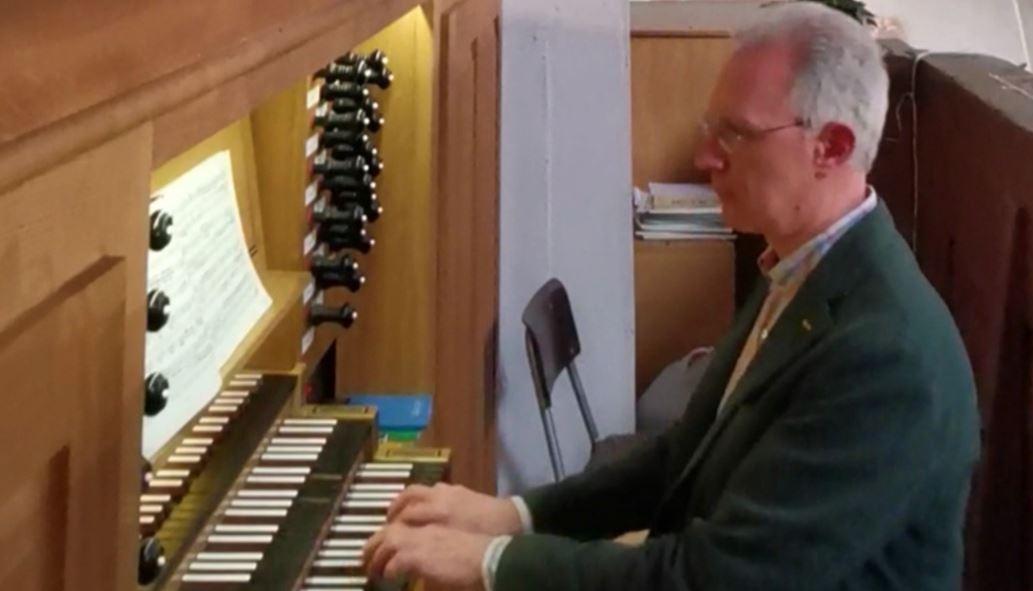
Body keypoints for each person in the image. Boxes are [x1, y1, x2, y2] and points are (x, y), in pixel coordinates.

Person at [363, 3, 980, 590]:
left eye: (734, 134)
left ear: (832, 147)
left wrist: (495, 563)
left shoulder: (883, 358)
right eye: (712, 127)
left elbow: (714, 580)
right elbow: (684, 459)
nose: (703, 155)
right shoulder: (799, 267)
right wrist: (515, 517)